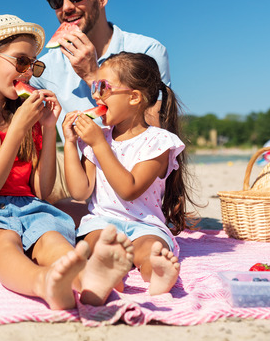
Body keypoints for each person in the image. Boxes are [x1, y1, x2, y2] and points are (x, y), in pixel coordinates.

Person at [0, 15, 133, 309]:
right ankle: (43, 283)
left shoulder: (26, 113)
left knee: (52, 239)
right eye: (20, 61)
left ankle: (90, 280)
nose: (28, 73)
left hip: (28, 207)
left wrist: (49, 127)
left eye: (33, 65)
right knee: (2, 245)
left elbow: (42, 191)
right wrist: (18, 129)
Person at [62, 52, 196, 296]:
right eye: (93, 87)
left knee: (151, 250)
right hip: (102, 222)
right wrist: (71, 144)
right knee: (96, 246)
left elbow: (129, 189)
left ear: (134, 97)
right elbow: (80, 191)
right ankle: (109, 276)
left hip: (145, 224)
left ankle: (156, 274)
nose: (95, 95)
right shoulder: (97, 139)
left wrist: (99, 145)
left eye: (103, 87)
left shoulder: (158, 142)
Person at [31, 0, 171, 141]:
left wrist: (92, 76)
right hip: (76, 169)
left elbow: (154, 130)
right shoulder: (46, 67)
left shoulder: (147, 50)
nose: (66, 7)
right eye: (57, 1)